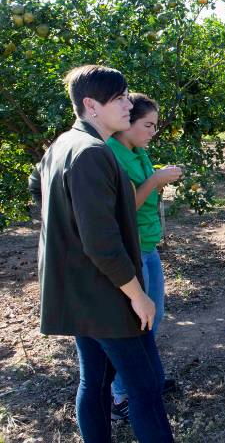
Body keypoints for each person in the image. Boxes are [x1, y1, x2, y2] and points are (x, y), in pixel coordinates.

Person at [29, 65, 174, 443]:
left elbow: (38, 189)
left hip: (81, 292)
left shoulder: (62, 144)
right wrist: (138, 296)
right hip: (107, 296)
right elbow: (101, 242)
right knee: (146, 385)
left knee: (94, 381)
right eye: (119, 98)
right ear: (91, 105)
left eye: (127, 95)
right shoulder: (92, 153)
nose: (129, 104)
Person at [106, 93, 183, 421]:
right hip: (132, 251)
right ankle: (122, 394)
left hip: (148, 246)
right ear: (126, 125)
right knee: (138, 322)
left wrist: (158, 180)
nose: (153, 131)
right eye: (147, 125)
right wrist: (155, 180)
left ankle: (147, 379)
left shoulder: (137, 152)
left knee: (156, 315)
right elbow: (123, 210)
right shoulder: (113, 156)